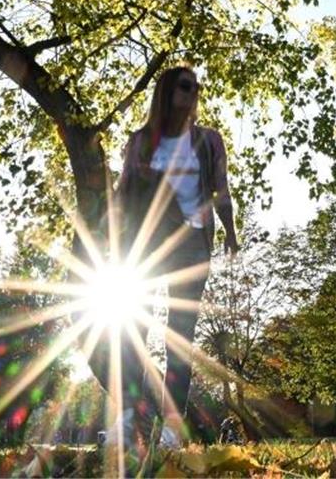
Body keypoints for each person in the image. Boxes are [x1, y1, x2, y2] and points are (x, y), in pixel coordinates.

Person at [98, 66, 239, 449]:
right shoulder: (141, 141)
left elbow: (220, 190)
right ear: (165, 91)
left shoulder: (209, 140)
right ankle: (127, 420)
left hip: (192, 246)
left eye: (197, 87)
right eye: (185, 85)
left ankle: (172, 431)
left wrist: (231, 231)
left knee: (178, 336)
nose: (193, 92)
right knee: (131, 333)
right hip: (144, 246)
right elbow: (123, 194)